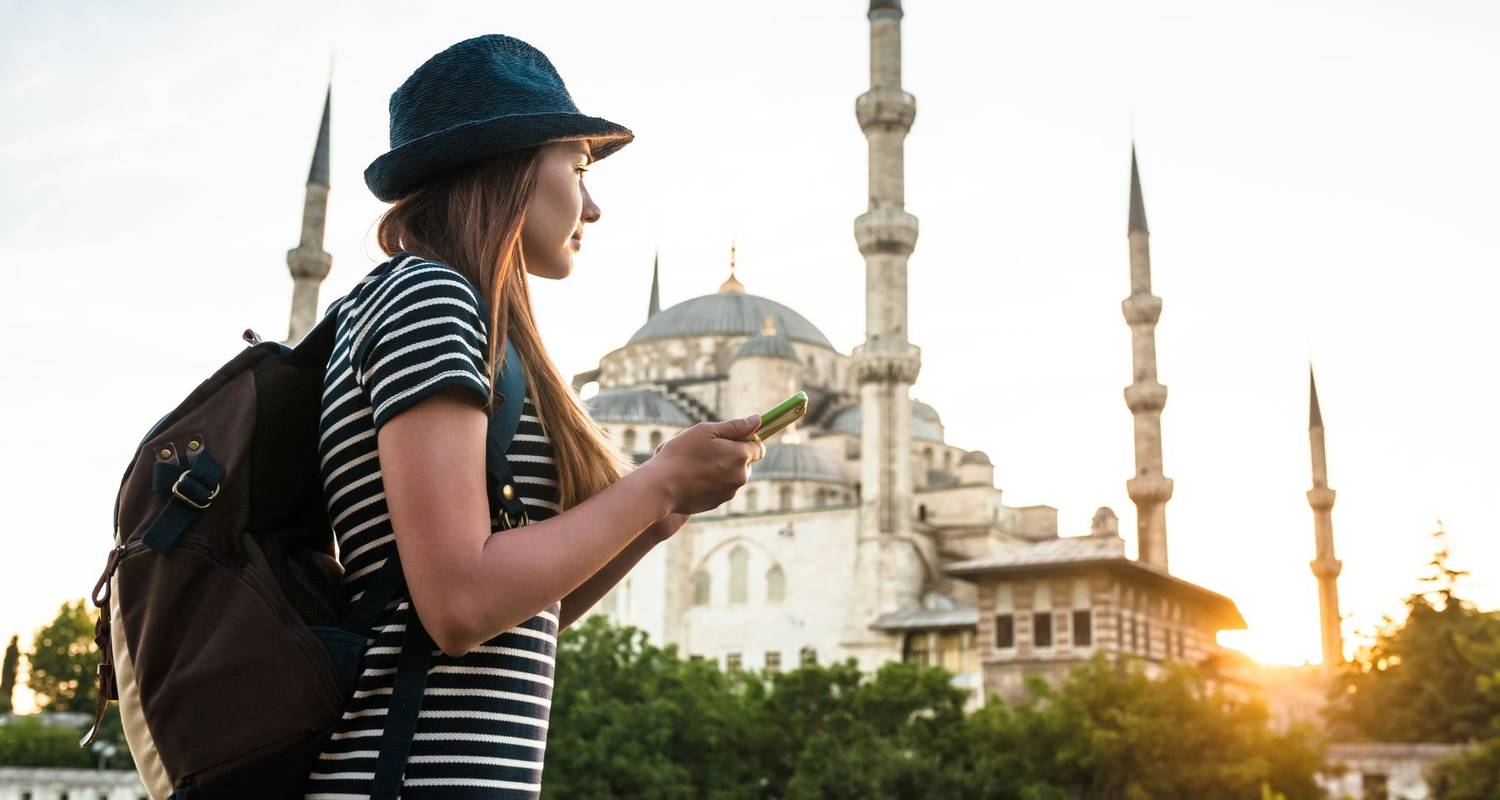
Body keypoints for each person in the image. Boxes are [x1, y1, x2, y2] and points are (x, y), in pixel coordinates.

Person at [304, 34, 764, 799]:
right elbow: (456, 604)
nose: (593, 204)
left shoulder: (460, 318)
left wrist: (655, 511)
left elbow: (517, 619)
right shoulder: (429, 299)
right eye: (579, 169)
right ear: (510, 164)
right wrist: (651, 488)